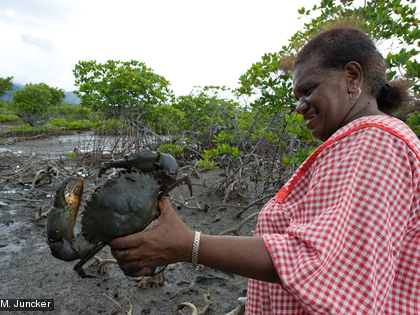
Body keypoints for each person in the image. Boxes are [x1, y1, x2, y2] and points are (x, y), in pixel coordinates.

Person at [109, 27, 420, 314]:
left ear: (353, 76)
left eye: (308, 89)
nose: (300, 106)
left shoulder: (375, 141)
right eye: (297, 97)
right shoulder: (363, 141)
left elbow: (327, 266)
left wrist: (188, 245)